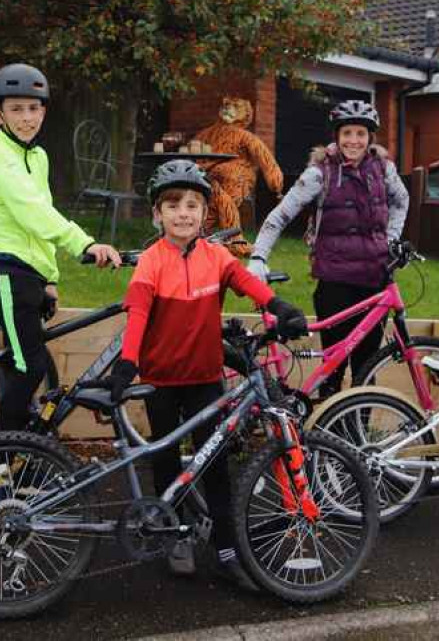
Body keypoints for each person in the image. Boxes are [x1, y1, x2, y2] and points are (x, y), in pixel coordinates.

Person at [105, 159, 308, 590]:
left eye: (193, 205)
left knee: (214, 465)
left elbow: (250, 285)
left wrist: (279, 307)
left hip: (204, 380)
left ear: (205, 214)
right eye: (173, 205)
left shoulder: (216, 257)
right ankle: (175, 535)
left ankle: (226, 549)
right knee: (164, 463)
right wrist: (127, 364)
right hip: (159, 380)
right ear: (157, 215)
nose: (183, 213)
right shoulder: (151, 263)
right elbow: (137, 316)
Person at [0, 63, 121, 431]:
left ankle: (20, 447)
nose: (27, 118)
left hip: (28, 273)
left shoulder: (36, 156)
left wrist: (50, 278)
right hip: (5, 270)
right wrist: (83, 243)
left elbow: (42, 218)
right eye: (16, 109)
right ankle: (1, 460)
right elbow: (32, 212)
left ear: (44, 110)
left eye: (34, 108)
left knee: (20, 363)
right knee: (31, 366)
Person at [247, 100, 409, 397]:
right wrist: (258, 256)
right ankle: (325, 435)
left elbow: (402, 200)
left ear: (370, 137)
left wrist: (392, 240)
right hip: (335, 283)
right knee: (333, 366)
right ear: (337, 136)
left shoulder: (383, 170)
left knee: (366, 367)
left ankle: (357, 438)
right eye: (347, 133)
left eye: (360, 134)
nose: (354, 141)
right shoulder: (319, 173)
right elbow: (280, 215)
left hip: (375, 281)